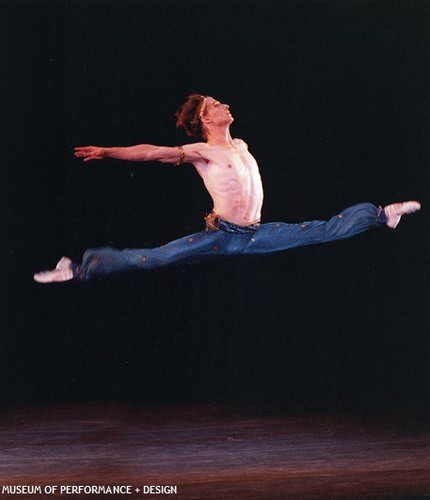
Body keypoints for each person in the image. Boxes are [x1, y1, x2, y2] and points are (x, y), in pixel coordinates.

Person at [34, 94, 421, 283]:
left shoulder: (241, 146)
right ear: (205, 118)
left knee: (320, 230)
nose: (225, 106)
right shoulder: (202, 151)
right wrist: (107, 151)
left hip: (254, 236)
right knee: (157, 258)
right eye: (217, 105)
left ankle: (381, 215)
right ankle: (79, 267)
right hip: (220, 237)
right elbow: (152, 152)